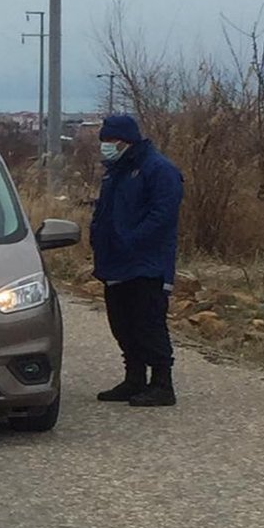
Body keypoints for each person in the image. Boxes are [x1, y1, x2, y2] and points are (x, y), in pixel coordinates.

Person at [90, 114, 184, 407]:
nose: (105, 145)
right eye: (102, 140)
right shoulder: (115, 171)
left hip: (146, 264)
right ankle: (134, 379)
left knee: (148, 323)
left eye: (109, 140)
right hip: (115, 263)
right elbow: (106, 211)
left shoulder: (158, 170)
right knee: (122, 323)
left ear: (126, 140)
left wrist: (132, 241)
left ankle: (161, 384)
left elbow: (163, 215)